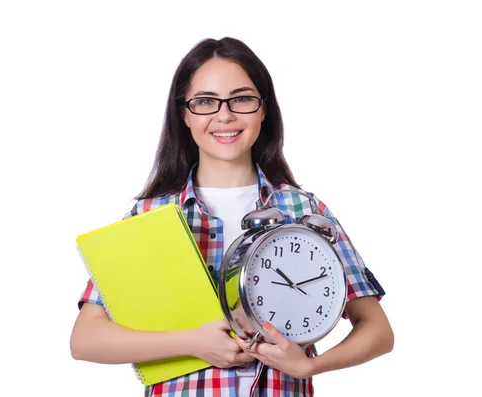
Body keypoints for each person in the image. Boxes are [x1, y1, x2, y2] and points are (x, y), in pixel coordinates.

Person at [70, 37, 394, 397]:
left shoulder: (303, 211)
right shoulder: (150, 216)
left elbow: (378, 330)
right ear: (185, 114)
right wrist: (193, 342)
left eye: (241, 99)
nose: (224, 115)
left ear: (263, 109)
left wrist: (310, 365)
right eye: (206, 102)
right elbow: (85, 339)